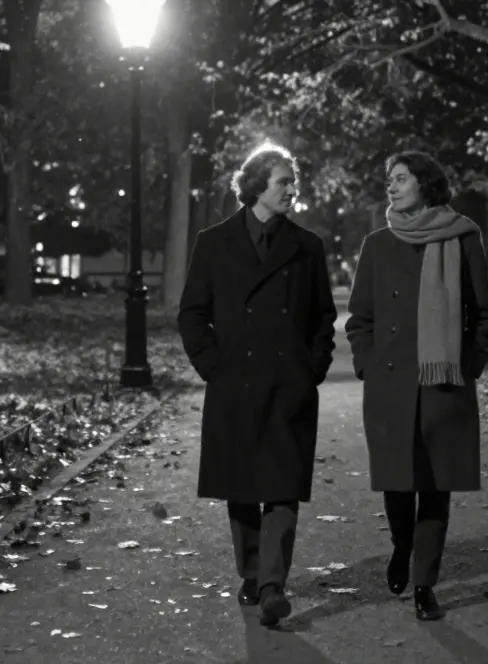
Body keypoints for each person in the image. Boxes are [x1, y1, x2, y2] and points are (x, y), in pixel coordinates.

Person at [177, 143, 337, 627]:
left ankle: (272, 585)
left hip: (289, 383)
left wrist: (312, 366)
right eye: (283, 181)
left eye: (293, 181)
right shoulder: (214, 241)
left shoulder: (307, 246)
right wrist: (213, 365)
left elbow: (322, 317)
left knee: (283, 486)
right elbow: (192, 314)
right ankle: (251, 573)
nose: (292, 189)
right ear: (255, 186)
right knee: (241, 486)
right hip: (234, 383)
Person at [345, 150, 488, 621]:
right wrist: (369, 362)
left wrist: (466, 363)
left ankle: (424, 584)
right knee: (397, 484)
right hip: (391, 385)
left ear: (426, 184)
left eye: (401, 178)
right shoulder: (377, 243)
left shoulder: (464, 237)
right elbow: (360, 318)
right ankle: (402, 546)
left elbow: (484, 314)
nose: (392, 186)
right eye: (389, 179)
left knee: (435, 486)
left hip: (442, 384)